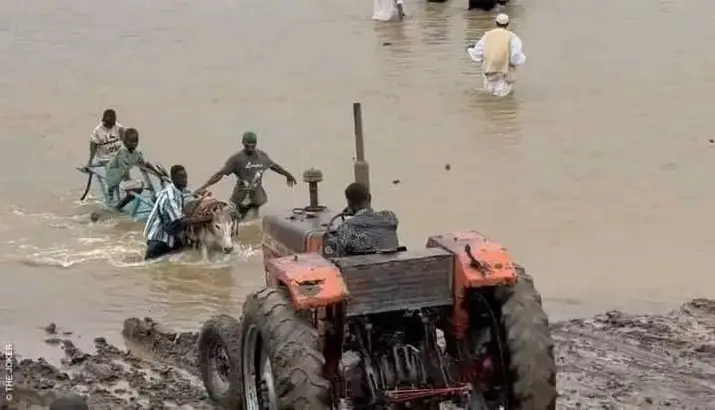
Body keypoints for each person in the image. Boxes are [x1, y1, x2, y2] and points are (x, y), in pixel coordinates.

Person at [195, 131, 297, 219]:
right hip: (239, 198)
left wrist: (287, 174)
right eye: (248, 144)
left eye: (253, 144)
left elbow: (273, 166)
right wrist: (204, 186)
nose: (251, 147)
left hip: (255, 198)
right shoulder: (236, 159)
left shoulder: (262, 156)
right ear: (243, 143)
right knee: (234, 220)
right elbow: (220, 174)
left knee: (251, 220)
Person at [144, 165, 210, 260]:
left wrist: (198, 195)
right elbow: (181, 221)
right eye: (181, 177)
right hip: (159, 239)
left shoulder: (177, 189)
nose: (185, 180)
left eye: (185, 176)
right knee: (149, 264)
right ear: (173, 179)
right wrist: (204, 219)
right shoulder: (170, 198)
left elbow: (156, 197)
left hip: (170, 235)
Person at [324, 182, 400, 257]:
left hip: (362, 268)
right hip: (391, 266)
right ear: (370, 197)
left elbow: (337, 254)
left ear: (349, 203)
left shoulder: (348, 227)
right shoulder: (389, 218)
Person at [465, 13, 526, 97]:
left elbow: (477, 54)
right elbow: (515, 56)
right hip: (504, 73)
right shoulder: (513, 37)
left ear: (496, 23)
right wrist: (521, 60)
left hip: (489, 72)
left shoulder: (487, 36)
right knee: (503, 98)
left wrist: (469, 49)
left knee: (488, 97)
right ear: (508, 24)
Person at [104, 128, 161, 211]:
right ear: (125, 142)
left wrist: (157, 172)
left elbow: (145, 163)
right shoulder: (123, 152)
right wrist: (130, 184)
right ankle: (119, 206)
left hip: (120, 178)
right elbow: (124, 171)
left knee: (138, 187)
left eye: (136, 141)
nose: (134, 143)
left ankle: (124, 201)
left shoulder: (136, 153)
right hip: (114, 177)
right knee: (139, 185)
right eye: (132, 141)